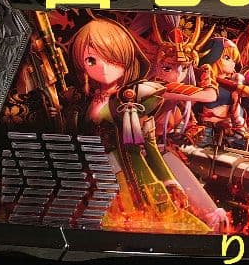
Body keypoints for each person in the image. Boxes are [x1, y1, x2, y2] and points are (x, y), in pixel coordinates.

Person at [67, 17, 209, 229]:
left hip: (133, 180)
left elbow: (148, 147)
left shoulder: (133, 98)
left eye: (112, 59)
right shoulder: (81, 101)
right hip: (94, 181)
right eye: (91, 61)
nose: (103, 68)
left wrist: (170, 182)